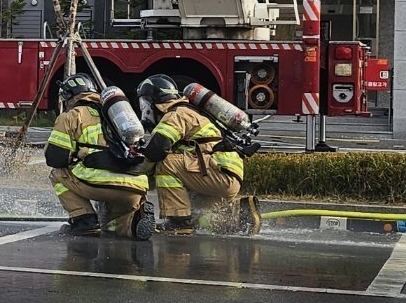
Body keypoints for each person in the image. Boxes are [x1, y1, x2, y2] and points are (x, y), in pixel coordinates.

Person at [136, 74, 259, 236]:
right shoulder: (192, 111)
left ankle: (177, 222)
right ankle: (241, 214)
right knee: (199, 216)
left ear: (153, 101)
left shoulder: (176, 114)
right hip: (223, 173)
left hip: (218, 173)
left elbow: (158, 148)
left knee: (166, 164)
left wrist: (134, 171)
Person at [45, 73, 153, 237]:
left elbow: (55, 158)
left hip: (100, 183)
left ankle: (83, 220)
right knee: (109, 226)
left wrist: (76, 154)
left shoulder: (72, 116)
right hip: (136, 185)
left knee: (57, 174)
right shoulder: (117, 115)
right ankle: (133, 222)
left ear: (68, 96)